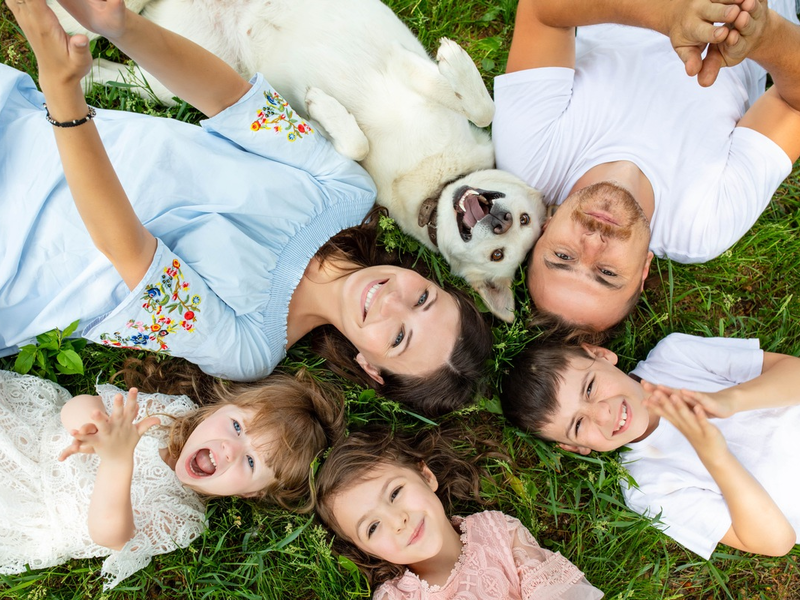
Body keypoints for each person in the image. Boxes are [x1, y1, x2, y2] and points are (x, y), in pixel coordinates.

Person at [0, 0, 492, 415]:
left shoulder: (249, 349)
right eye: (423, 299)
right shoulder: (347, 191)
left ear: (371, 367)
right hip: (22, 125)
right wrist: (120, 25)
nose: (393, 302)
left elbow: (124, 248)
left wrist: (64, 91)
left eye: (400, 338)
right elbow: (230, 99)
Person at [492, 0, 800, 335]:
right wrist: (763, 35)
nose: (593, 242)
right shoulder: (703, 226)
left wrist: (669, 14)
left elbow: (542, 12)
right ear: (643, 270)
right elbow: (793, 104)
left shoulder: (531, 161)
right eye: (607, 273)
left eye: (564, 257)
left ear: (544, 229)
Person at [0, 365, 344, 588]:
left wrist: (117, 460)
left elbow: (108, 535)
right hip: (26, 432)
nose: (229, 449)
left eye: (252, 462)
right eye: (237, 426)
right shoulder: (171, 415)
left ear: (250, 494)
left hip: (28, 510)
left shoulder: (182, 517)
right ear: (218, 409)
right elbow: (75, 405)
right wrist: (88, 421)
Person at [501, 333, 800, 559]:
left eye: (590, 387)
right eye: (578, 425)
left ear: (600, 354)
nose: (602, 414)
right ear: (575, 447)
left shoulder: (674, 356)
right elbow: (776, 541)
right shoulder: (646, 487)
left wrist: (732, 400)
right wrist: (716, 457)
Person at [314, 426, 604, 599]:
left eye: (394, 493)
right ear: (366, 550)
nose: (397, 521)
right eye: (372, 528)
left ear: (426, 476)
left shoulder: (499, 532)